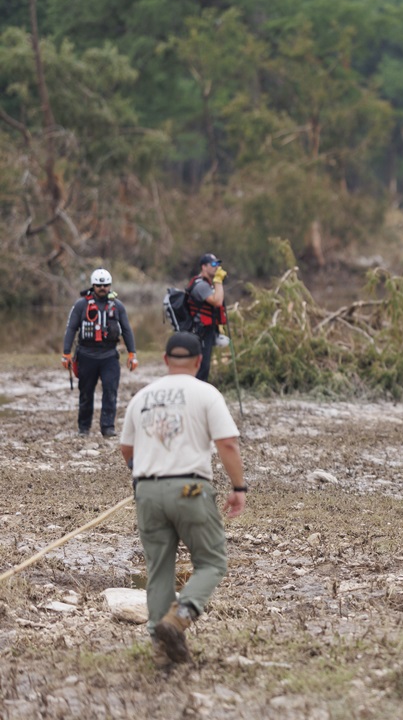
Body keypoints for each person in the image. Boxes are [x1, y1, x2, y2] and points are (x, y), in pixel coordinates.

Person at [119, 331, 246, 669]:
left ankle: (162, 652)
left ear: (165, 360)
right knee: (212, 562)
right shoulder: (206, 393)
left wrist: (142, 471)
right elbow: (228, 444)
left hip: (147, 490)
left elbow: (126, 449)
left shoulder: (142, 397)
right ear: (199, 360)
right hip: (190, 490)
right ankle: (179, 617)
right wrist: (239, 487)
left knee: (159, 570)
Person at [61, 268, 138, 437]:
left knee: (111, 391)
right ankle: (84, 428)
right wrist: (66, 353)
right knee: (86, 393)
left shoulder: (117, 306)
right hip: (86, 355)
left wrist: (132, 354)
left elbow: (126, 330)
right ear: (93, 285)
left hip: (109, 355)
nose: (102, 288)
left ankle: (108, 427)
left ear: (110, 285)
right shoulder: (81, 305)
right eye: (98, 285)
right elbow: (71, 329)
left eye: (105, 285)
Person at [184, 253, 228, 383]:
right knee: (202, 367)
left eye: (218, 264)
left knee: (205, 365)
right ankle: (196, 395)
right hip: (200, 331)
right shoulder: (201, 285)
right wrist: (219, 281)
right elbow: (217, 301)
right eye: (213, 264)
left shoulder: (208, 284)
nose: (217, 267)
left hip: (207, 330)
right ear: (204, 267)